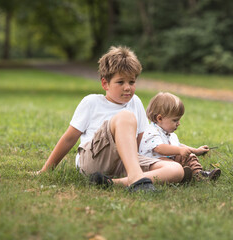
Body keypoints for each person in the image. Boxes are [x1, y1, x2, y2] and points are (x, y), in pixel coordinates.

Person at [38, 46, 186, 192]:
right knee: (125, 117)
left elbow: (140, 143)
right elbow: (69, 139)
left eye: (132, 82)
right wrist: (45, 170)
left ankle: (113, 183)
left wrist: (169, 155)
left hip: (125, 163)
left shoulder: (136, 102)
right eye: (120, 82)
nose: (127, 87)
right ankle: (137, 179)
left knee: (176, 170)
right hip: (94, 161)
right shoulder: (91, 102)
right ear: (105, 84)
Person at [139, 92, 221, 181]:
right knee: (173, 162)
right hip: (153, 163)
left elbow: (179, 146)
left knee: (189, 156)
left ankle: (199, 173)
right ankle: (181, 175)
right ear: (160, 118)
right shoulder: (151, 131)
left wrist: (196, 151)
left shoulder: (168, 133)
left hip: (168, 161)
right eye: (175, 120)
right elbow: (160, 148)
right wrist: (179, 151)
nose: (178, 123)